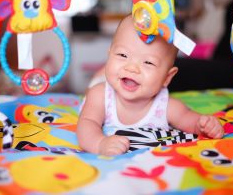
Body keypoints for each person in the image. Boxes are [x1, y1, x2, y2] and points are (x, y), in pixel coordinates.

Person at [77, 15, 224, 156]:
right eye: (122, 55)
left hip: (120, 77)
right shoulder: (100, 95)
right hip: (104, 84)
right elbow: (86, 124)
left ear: (167, 77)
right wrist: (100, 143)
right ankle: (102, 72)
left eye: (148, 62)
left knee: (116, 73)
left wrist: (205, 125)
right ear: (109, 55)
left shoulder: (166, 106)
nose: (132, 68)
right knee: (96, 84)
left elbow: (191, 121)